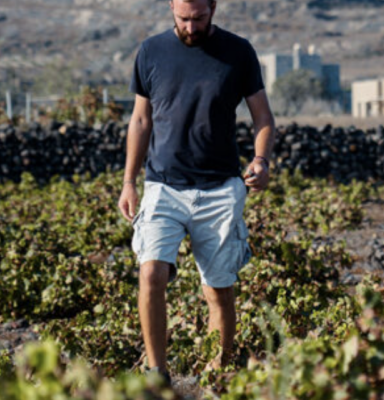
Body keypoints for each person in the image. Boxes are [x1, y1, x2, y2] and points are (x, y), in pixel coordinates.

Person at [116, 0, 276, 383]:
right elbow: (140, 119)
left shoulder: (239, 52)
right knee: (151, 273)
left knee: (218, 291)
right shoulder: (151, 51)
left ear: (214, 7)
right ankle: (157, 374)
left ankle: (218, 375)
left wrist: (261, 161)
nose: (190, 27)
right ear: (171, 6)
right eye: (183, 18)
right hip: (162, 186)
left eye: (199, 18)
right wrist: (128, 181)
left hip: (220, 189)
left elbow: (263, 118)